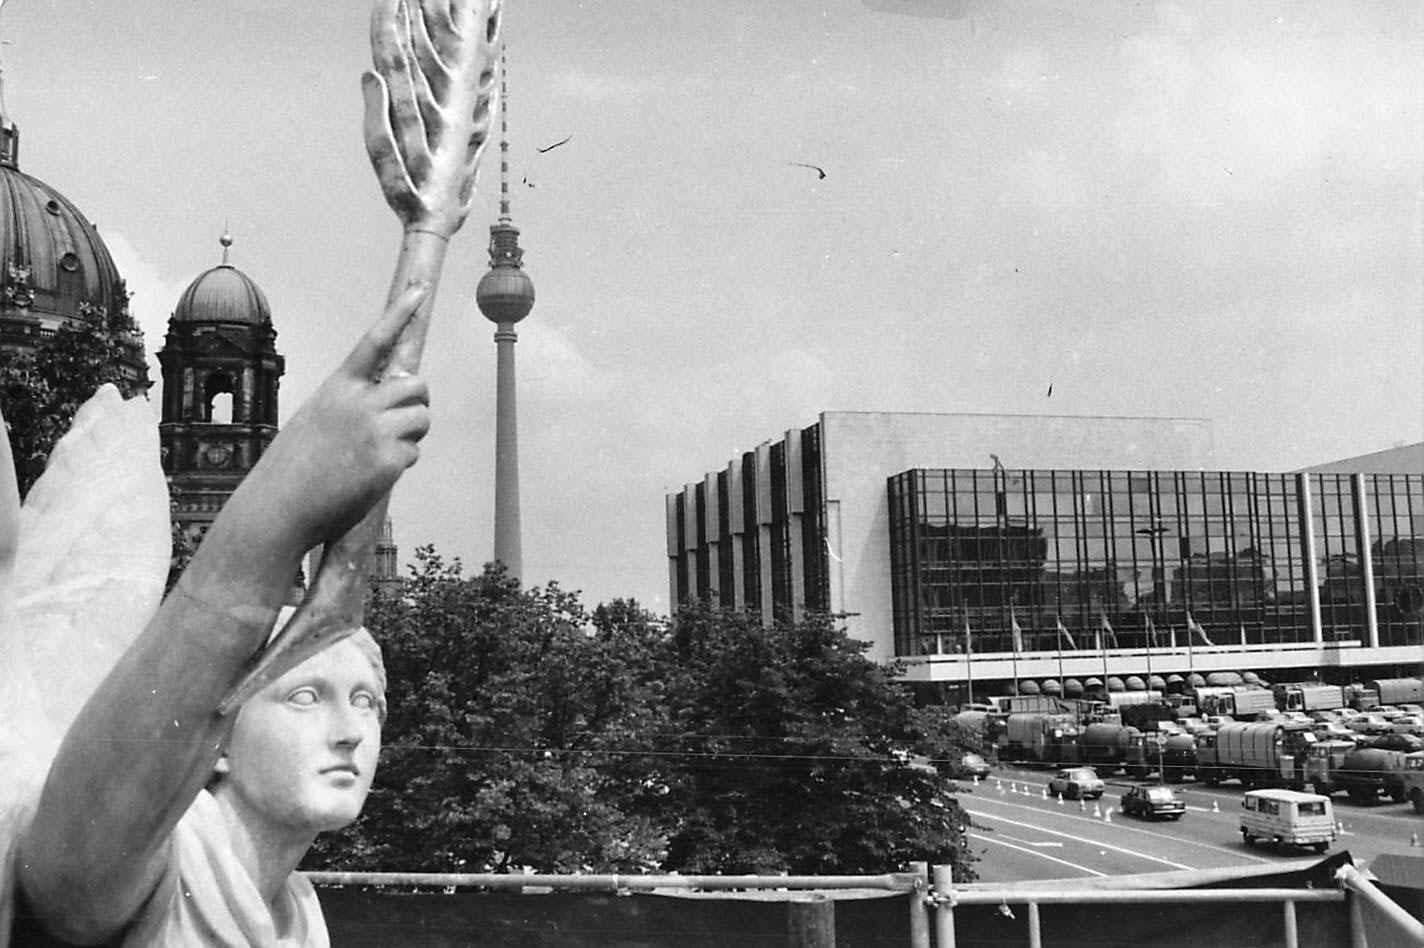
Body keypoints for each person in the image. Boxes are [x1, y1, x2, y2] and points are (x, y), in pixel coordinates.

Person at [9, 283, 430, 945]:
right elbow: (76, 874)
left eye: (368, 702)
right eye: (305, 696)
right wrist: (281, 504)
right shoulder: (145, 876)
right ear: (216, 732)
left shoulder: (294, 914)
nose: (350, 731)